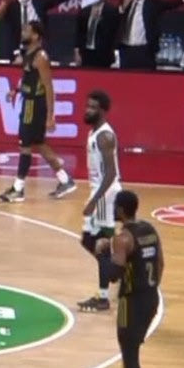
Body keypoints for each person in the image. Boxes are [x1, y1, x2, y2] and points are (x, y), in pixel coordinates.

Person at [95, 190, 163, 368]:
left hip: (131, 303)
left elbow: (113, 275)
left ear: (121, 210)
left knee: (130, 356)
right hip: (151, 298)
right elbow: (161, 263)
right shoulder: (149, 230)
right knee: (130, 352)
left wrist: (103, 253)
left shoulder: (122, 239)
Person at [0, 23, 76, 202]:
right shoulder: (28, 53)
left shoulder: (41, 57)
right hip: (28, 102)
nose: (23, 33)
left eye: (27, 31)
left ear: (36, 36)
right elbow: (28, 78)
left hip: (35, 105)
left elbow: (49, 87)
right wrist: (16, 90)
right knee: (39, 144)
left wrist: (50, 116)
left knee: (25, 145)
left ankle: (18, 189)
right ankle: (65, 180)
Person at [77, 90, 121, 313]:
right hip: (98, 192)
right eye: (87, 106)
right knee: (87, 240)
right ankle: (116, 270)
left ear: (103, 111)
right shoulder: (94, 132)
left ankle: (103, 298)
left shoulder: (105, 137)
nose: (87, 110)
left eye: (93, 107)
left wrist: (95, 200)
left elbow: (111, 173)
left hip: (105, 195)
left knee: (102, 247)